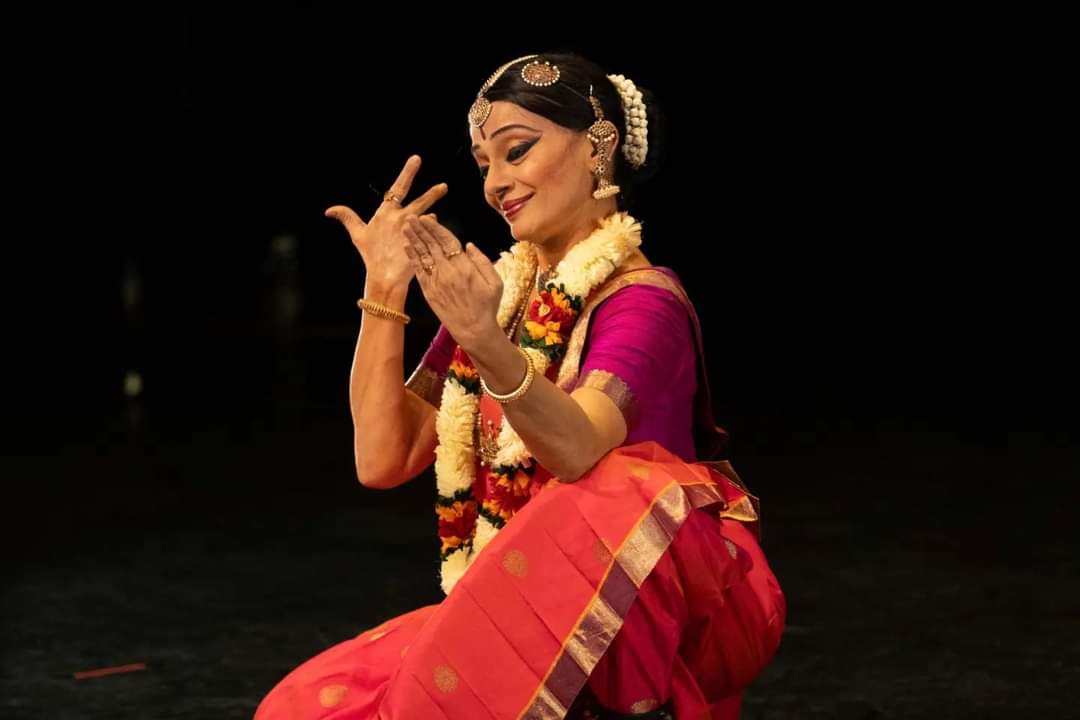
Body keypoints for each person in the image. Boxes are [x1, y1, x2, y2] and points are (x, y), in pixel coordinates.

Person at [255, 52, 785, 720]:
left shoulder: (645, 303)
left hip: (629, 623)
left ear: (599, 146)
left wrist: (486, 343)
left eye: (517, 151)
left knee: (623, 488)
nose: (496, 184)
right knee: (300, 710)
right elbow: (382, 460)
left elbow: (577, 451)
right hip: (520, 606)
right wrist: (385, 286)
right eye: (484, 165)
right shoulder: (501, 300)